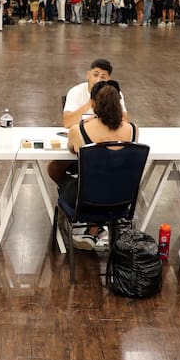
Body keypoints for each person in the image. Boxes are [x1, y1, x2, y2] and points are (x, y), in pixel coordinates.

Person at [53, 81, 139, 251]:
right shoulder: (133, 129)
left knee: (59, 171)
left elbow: (72, 150)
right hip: (121, 201)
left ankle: (92, 226)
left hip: (85, 202)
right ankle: (96, 228)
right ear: (118, 104)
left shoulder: (78, 130)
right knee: (107, 181)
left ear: (92, 104)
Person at [62, 58, 128, 129]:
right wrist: (91, 102)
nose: (98, 80)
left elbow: (124, 122)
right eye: (95, 75)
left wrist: (96, 119)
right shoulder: (75, 92)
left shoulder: (113, 93)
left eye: (103, 77)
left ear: (108, 80)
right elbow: (67, 123)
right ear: (88, 75)